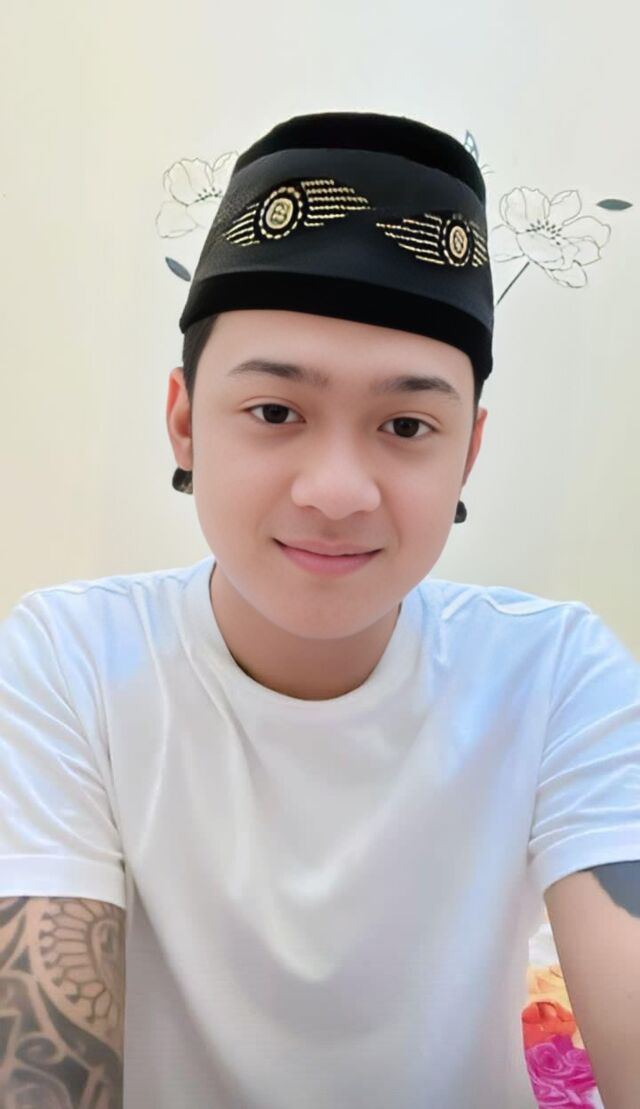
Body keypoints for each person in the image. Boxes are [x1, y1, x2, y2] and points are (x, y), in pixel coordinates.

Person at [1, 111, 638, 1109]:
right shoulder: (68, 661)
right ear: (184, 422)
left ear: (467, 453)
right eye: (274, 411)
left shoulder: (557, 676)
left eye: (406, 424)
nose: (337, 490)